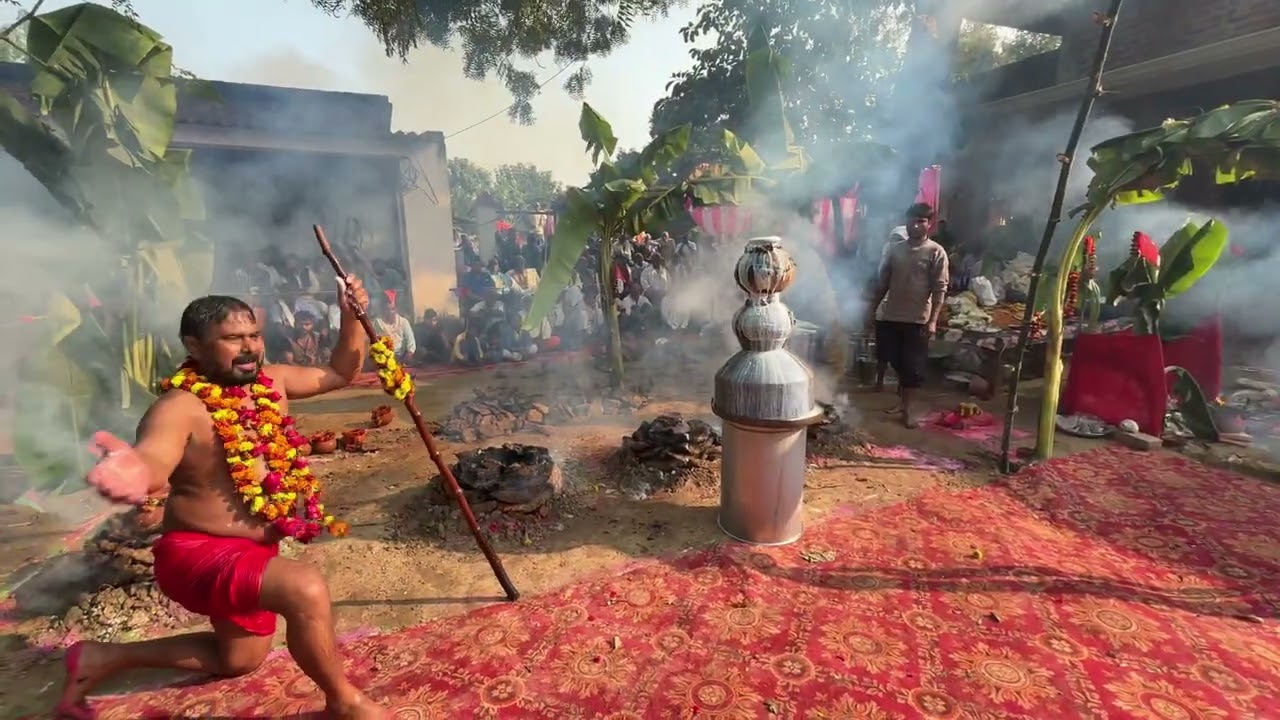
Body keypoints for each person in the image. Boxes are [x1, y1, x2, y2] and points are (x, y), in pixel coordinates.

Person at [56, 277, 389, 719]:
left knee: (239, 660)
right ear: (194, 346)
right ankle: (345, 703)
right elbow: (154, 456)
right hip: (199, 554)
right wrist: (133, 470)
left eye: (254, 335)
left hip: (256, 550)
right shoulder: (180, 407)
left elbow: (340, 372)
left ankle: (103, 657)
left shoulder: (273, 382)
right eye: (232, 338)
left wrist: (350, 317)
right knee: (304, 587)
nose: (249, 347)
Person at [869, 203, 949, 428]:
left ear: (929, 224)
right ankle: (904, 402)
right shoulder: (895, 250)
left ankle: (909, 409)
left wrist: (933, 320)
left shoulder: (936, 252)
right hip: (891, 315)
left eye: (921, 221)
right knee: (893, 359)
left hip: (917, 320)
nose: (915, 225)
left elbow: (940, 289)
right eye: (912, 221)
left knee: (912, 367)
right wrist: (872, 308)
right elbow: (883, 282)